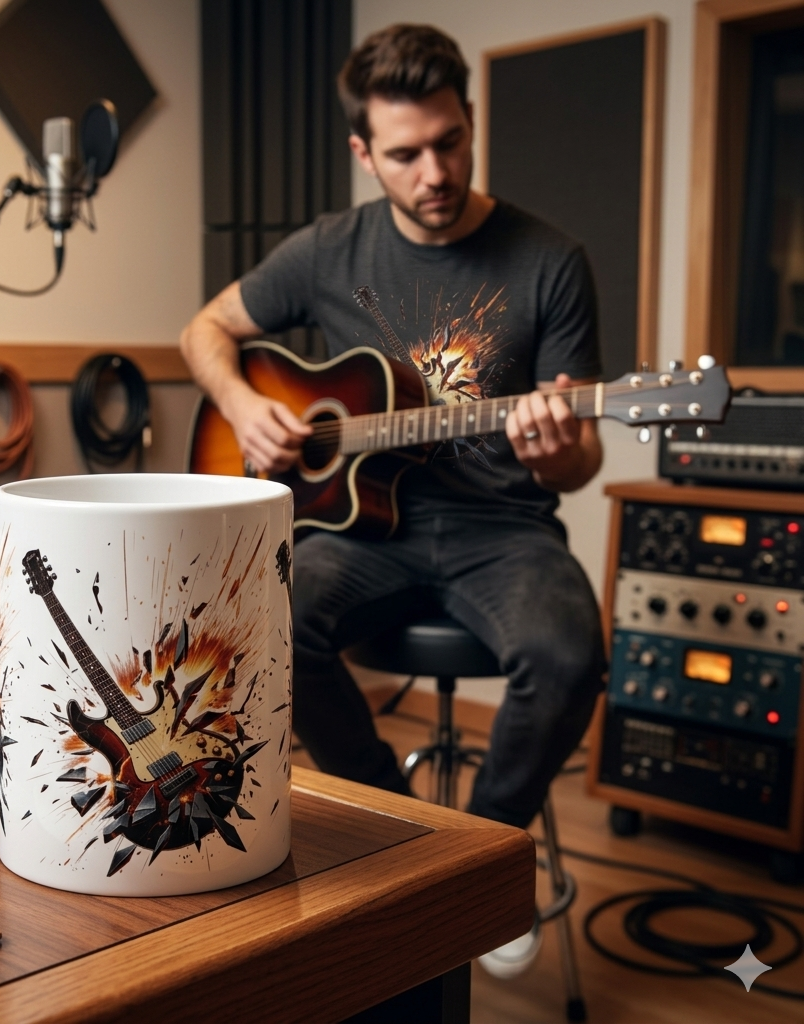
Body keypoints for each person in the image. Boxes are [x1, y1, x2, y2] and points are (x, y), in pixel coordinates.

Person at [181, 23, 605, 836]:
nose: (435, 173)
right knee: (261, 622)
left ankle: (484, 846)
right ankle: (397, 828)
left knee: (568, 656)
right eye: (406, 155)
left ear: (471, 121)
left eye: (450, 143)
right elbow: (204, 330)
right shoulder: (327, 250)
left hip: (505, 531)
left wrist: (556, 454)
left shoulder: (551, 261)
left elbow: (580, 458)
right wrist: (241, 405)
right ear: (364, 153)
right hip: (361, 530)